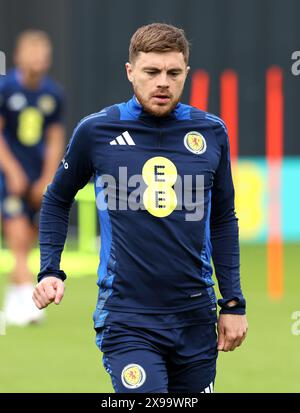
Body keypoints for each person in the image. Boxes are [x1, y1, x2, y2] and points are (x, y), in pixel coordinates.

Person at [33, 23, 248, 393]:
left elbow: (224, 220)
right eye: (151, 72)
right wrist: (50, 269)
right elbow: (56, 198)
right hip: (127, 317)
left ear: (186, 74)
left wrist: (232, 303)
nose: (162, 82)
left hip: (195, 317)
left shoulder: (212, 132)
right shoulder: (97, 131)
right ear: (131, 72)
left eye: (173, 72)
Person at [0, 30, 65, 326]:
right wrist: (12, 170)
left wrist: (47, 178)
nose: (39, 59)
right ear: (19, 56)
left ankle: (14, 299)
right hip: (8, 174)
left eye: (44, 54)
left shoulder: (52, 93)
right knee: (15, 233)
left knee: (27, 237)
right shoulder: (5, 88)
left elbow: (54, 137)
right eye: (33, 53)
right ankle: (28, 299)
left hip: (36, 174)